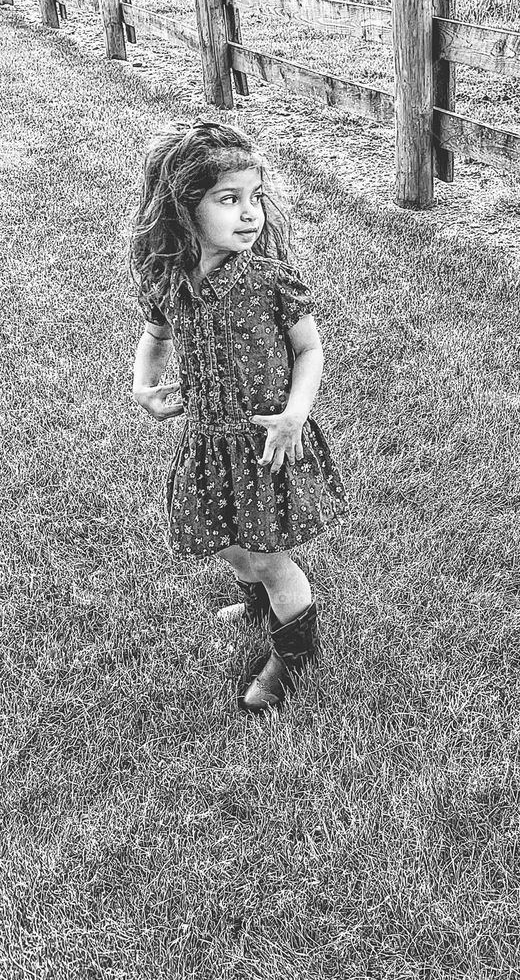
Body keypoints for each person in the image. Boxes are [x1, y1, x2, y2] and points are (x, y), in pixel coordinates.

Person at [128, 120, 346, 715]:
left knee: (272, 556)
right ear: (182, 208)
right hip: (208, 439)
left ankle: (294, 656)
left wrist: (295, 413)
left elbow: (308, 349)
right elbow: (155, 335)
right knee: (220, 539)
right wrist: (143, 383)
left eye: (255, 198)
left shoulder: (269, 281)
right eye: (229, 200)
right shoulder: (169, 280)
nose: (250, 214)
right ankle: (255, 596)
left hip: (266, 439)